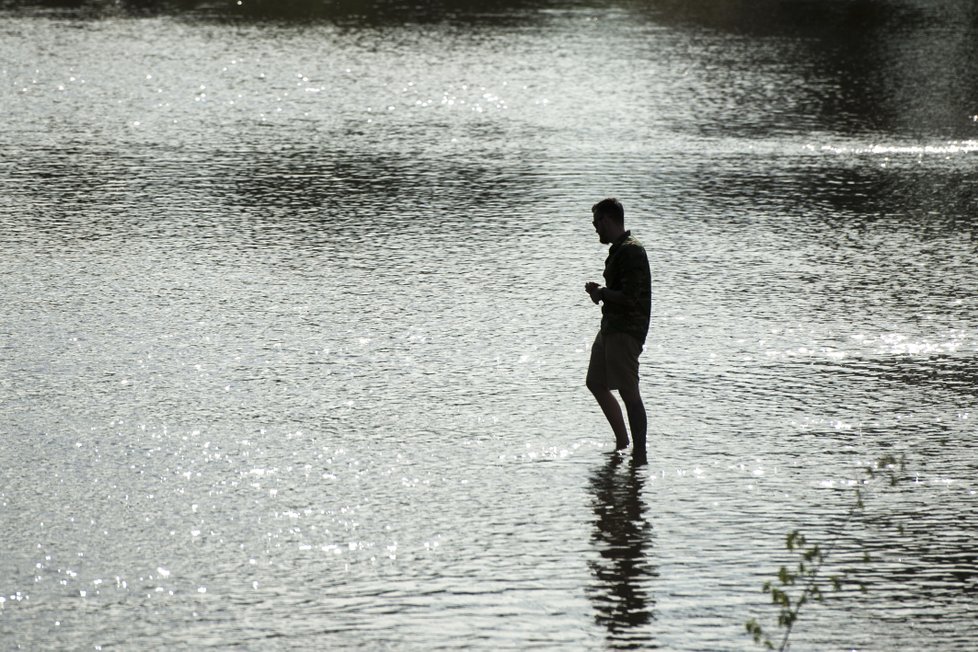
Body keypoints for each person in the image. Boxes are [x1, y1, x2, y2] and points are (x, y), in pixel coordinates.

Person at [584, 198, 652, 463]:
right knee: (595, 382)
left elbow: (631, 297)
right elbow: (618, 293)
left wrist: (602, 292)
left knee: (629, 392)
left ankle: (640, 454)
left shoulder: (632, 251)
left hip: (626, 331)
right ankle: (623, 443)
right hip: (610, 328)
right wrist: (599, 294)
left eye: (596, 223)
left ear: (607, 220)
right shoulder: (618, 250)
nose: (595, 229)